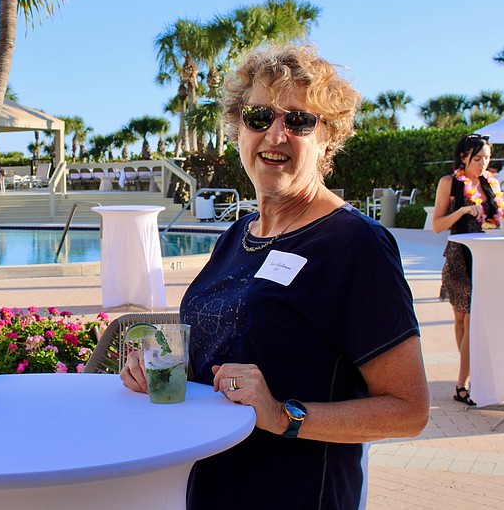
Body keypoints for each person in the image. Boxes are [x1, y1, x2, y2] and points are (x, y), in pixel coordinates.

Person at [120, 45, 429, 509]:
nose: (276, 134)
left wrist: (285, 415)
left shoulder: (354, 244)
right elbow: (232, 352)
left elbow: (409, 410)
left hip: (297, 494)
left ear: (329, 136)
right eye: (259, 116)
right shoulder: (237, 235)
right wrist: (162, 371)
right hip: (208, 486)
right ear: (238, 128)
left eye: (300, 121)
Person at [432, 134, 504, 406]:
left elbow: (501, 214)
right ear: (463, 157)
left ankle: (465, 383)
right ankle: (466, 381)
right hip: (459, 259)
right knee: (462, 321)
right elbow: (438, 225)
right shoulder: (449, 183)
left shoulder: (490, 184)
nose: (483, 164)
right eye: (477, 158)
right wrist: (463, 212)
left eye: (487, 158)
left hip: (486, 261)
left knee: (473, 320)